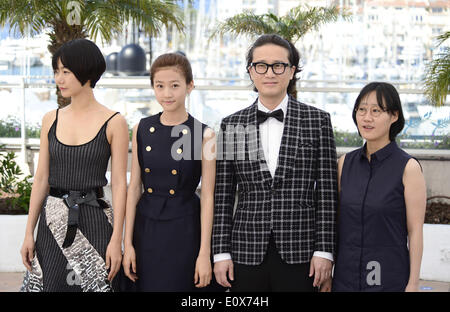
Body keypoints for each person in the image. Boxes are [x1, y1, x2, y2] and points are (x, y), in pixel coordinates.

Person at [212, 34, 338, 292]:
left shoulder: (318, 121)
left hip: (302, 250)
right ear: (251, 71)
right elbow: (223, 195)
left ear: (292, 71)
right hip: (245, 249)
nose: (270, 73)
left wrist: (325, 250)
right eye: (261, 65)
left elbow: (327, 192)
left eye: (278, 65)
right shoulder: (232, 124)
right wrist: (220, 253)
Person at [20, 38, 129, 292]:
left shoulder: (115, 122)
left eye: (66, 72)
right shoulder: (50, 119)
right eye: (56, 71)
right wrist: (29, 232)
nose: (59, 79)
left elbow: (119, 186)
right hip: (51, 222)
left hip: (95, 220)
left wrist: (117, 239)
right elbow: (41, 178)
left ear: (87, 73)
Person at [122, 53, 218, 291]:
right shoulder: (141, 128)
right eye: (160, 86)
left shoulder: (205, 135)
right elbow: (134, 187)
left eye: (175, 86)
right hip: (146, 229)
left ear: (189, 86)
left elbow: (208, 196)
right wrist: (128, 243)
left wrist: (204, 253)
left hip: (185, 231)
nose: (167, 93)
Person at [329, 82, 426, 292]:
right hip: (345, 277)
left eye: (376, 111)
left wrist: (413, 283)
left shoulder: (408, 168)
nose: (367, 118)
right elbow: (335, 222)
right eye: (361, 110)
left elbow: (415, 230)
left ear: (394, 116)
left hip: (387, 277)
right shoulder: (344, 163)